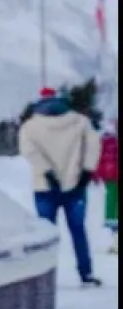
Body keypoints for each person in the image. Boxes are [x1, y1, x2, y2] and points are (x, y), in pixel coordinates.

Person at [19, 87, 104, 286]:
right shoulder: (80, 122)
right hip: (75, 187)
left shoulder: (30, 126)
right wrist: (86, 172)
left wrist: (47, 172)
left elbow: (29, 151)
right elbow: (94, 145)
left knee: (46, 236)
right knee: (78, 230)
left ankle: (44, 277)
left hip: (44, 188)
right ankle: (86, 274)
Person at [99, 121, 118, 255]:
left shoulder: (107, 141)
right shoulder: (107, 141)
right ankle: (115, 242)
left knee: (113, 210)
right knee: (112, 211)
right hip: (111, 178)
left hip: (111, 177)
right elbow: (100, 158)